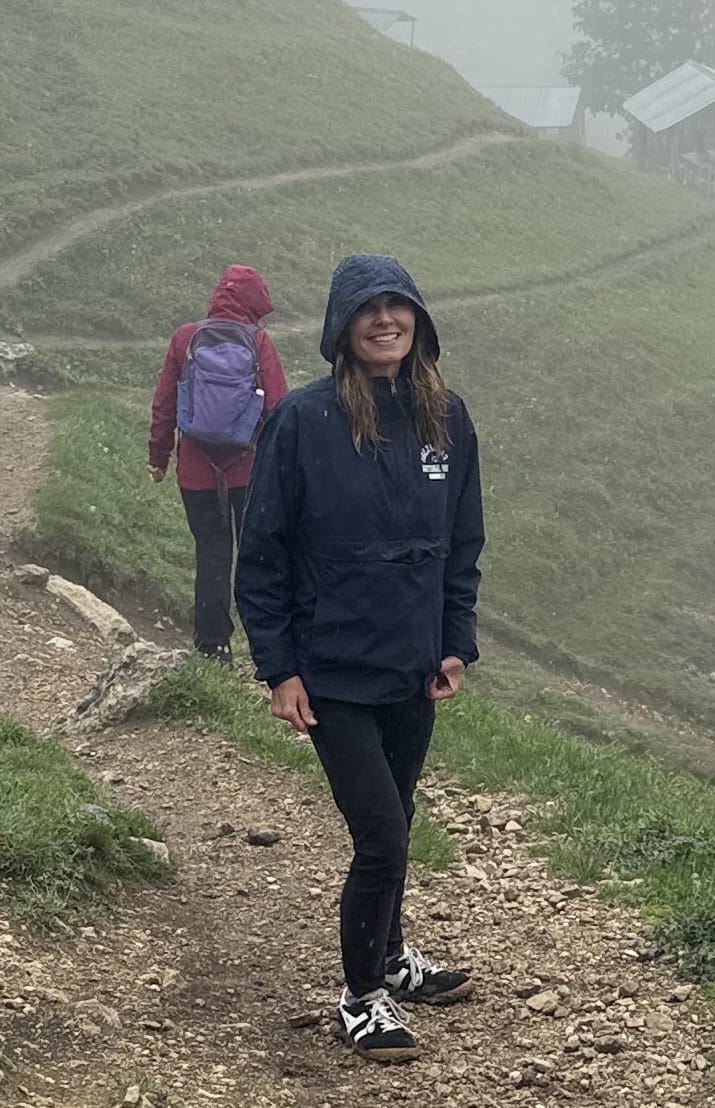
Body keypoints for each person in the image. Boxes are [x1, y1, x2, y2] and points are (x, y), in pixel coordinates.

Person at [235, 253, 484, 1064]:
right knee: (380, 838)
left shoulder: (448, 420)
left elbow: (460, 548)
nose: (386, 320)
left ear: (419, 319)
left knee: (398, 820)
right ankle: (361, 998)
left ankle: (391, 957)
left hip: (410, 668)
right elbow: (263, 553)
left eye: (399, 305)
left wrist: (453, 644)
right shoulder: (302, 422)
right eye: (368, 309)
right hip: (332, 670)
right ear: (342, 328)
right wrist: (279, 669)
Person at [149, 264, 287, 661]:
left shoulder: (185, 338)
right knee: (256, 555)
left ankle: (212, 646)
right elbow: (278, 408)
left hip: (196, 472)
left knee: (211, 551)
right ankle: (268, 647)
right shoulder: (259, 342)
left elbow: (165, 404)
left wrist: (159, 456)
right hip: (249, 472)